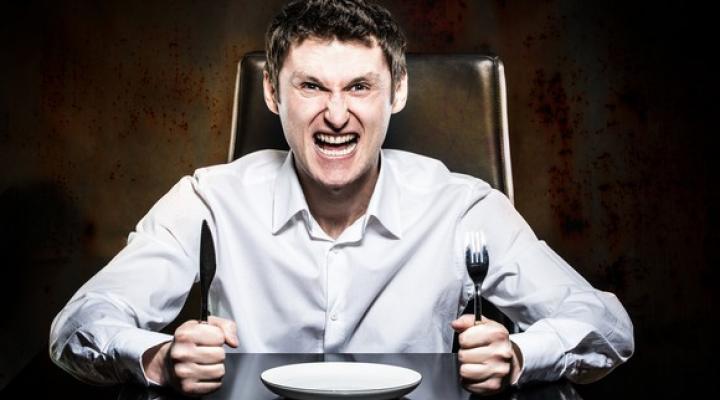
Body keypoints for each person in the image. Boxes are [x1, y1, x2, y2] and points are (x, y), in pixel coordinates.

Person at [49, 0, 634, 396]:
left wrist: (520, 355)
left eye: (359, 86)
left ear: (397, 92)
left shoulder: (464, 207)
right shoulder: (207, 200)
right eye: (310, 86)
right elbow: (79, 323)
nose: (335, 114)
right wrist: (153, 357)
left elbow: (607, 324)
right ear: (273, 94)